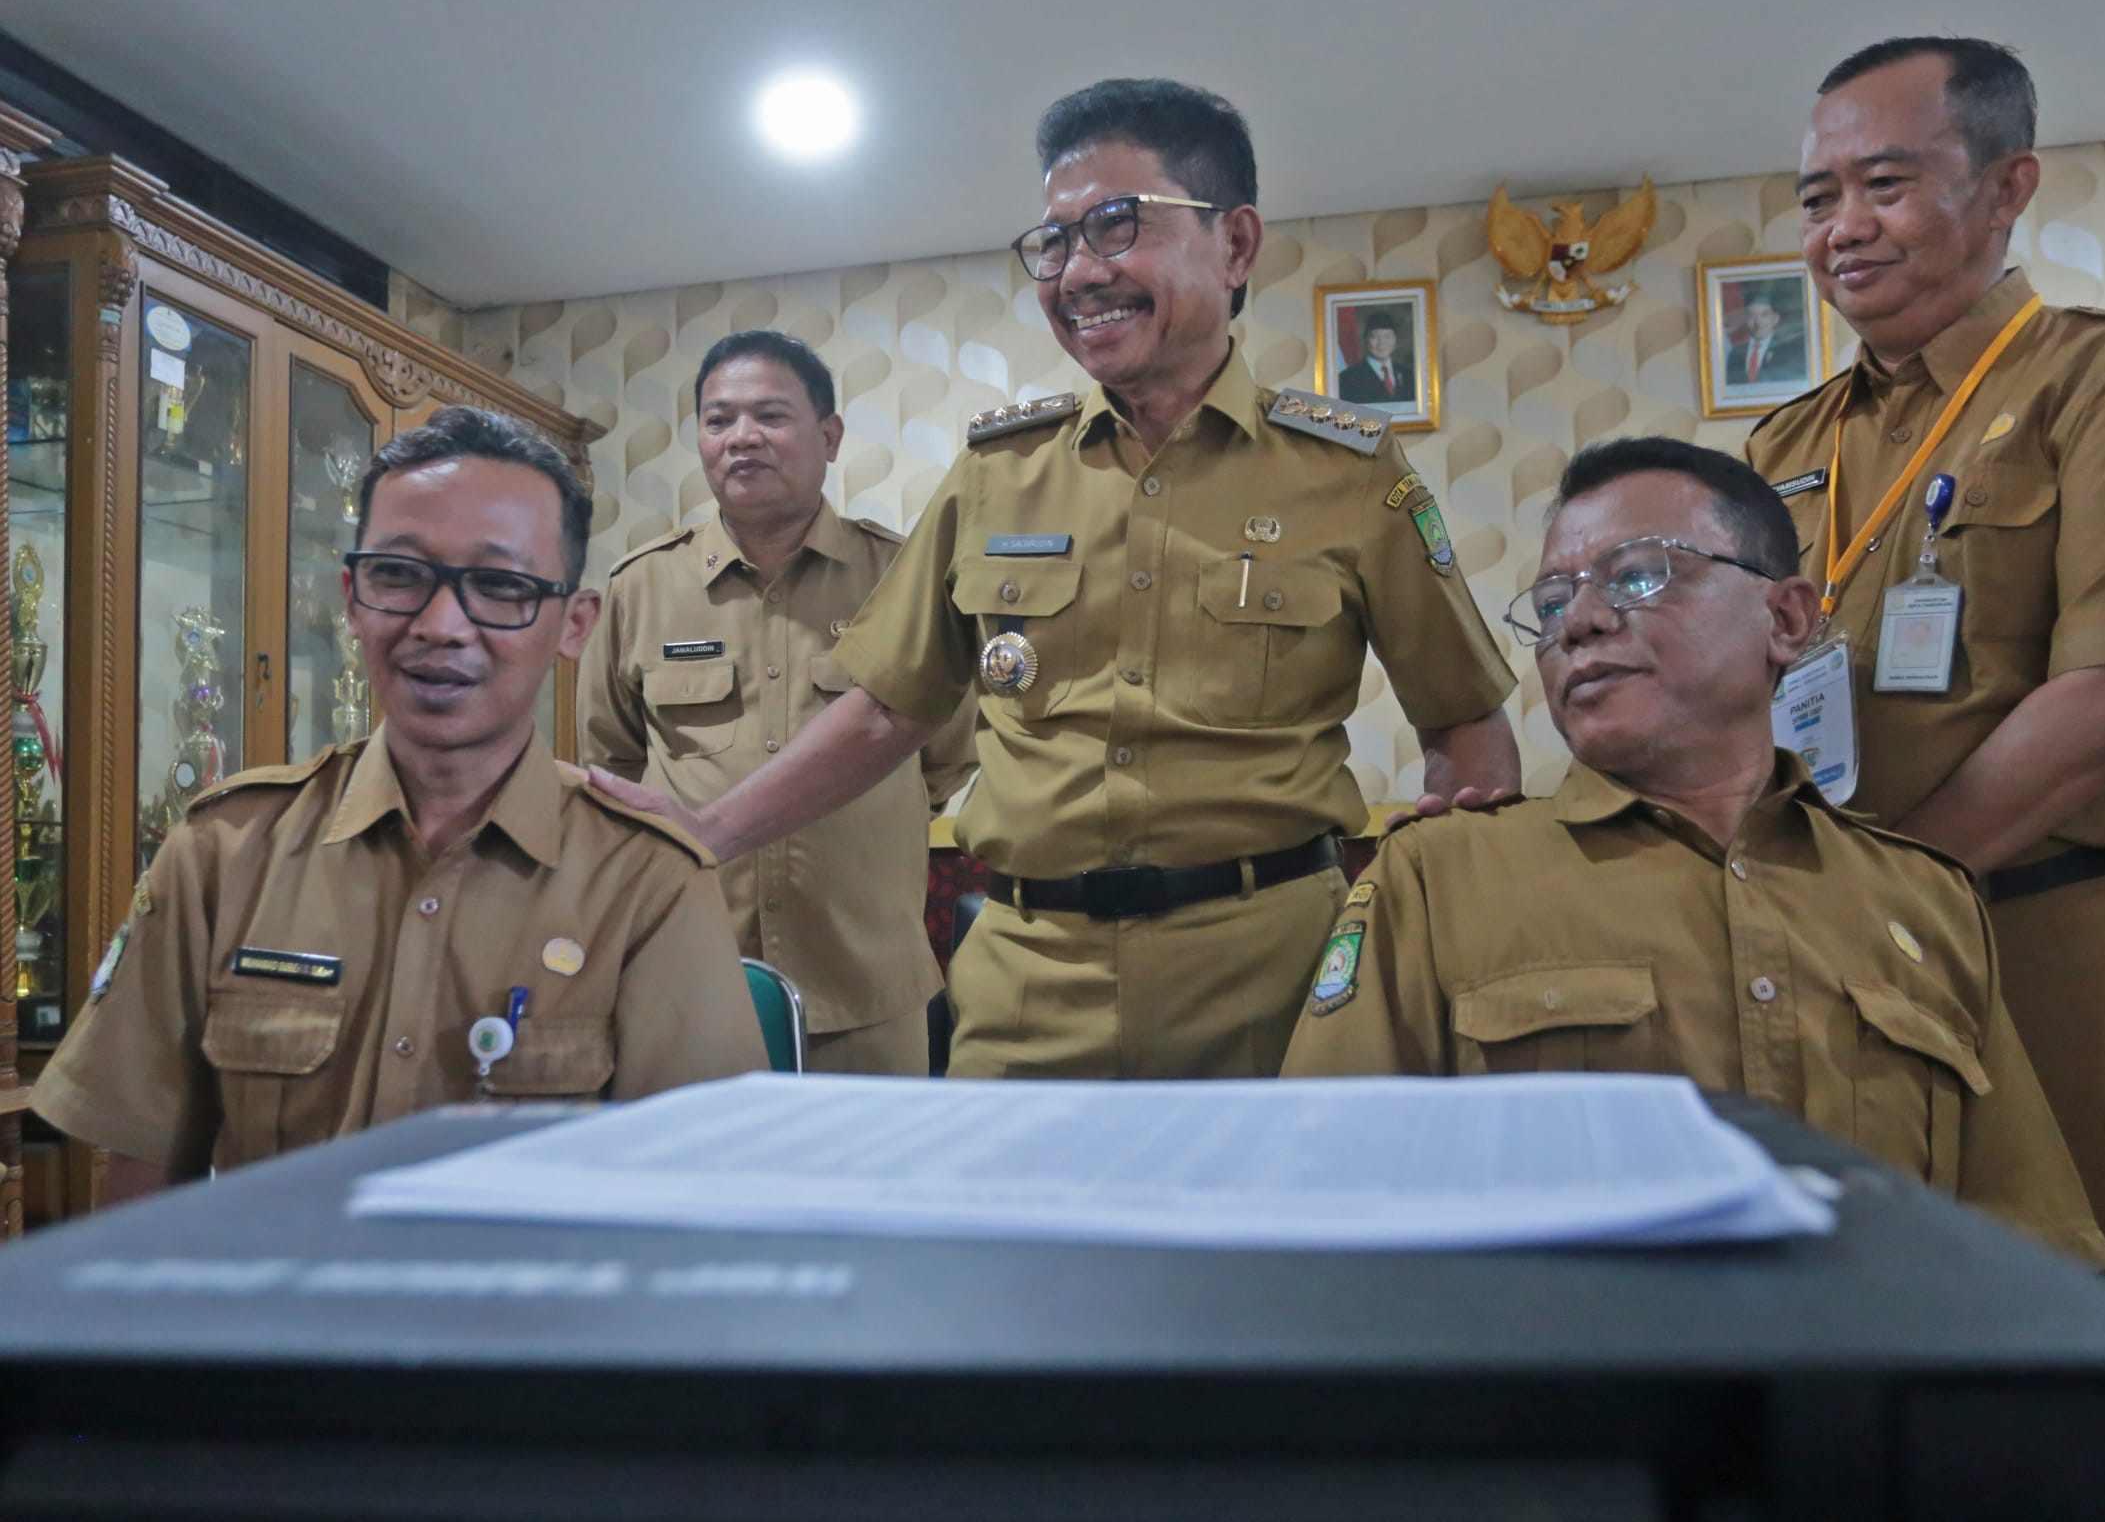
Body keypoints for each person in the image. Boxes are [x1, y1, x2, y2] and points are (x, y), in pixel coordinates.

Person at [593, 77, 1521, 1080]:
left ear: (1235, 243)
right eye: (1055, 241)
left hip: (1275, 982)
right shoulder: (998, 472)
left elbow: (1464, 722)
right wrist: (704, 831)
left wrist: (1445, 914)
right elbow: (888, 710)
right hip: (1027, 985)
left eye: (1117, 226)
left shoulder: (1350, 473)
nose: (1078, 271)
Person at [1282, 437, 2105, 1268]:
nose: (1578, 622)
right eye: (1552, 601)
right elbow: (1320, 1214)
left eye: (1637, 575)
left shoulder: (1924, 899)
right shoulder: (1439, 879)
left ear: (1785, 619)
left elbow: (2029, 1243)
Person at [1743, 37, 2105, 1303]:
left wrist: (1892, 889)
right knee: (1849, 1294)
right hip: (1817, 946)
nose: (1843, 228)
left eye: (1885, 184)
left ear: (2008, 184)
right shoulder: (1784, 443)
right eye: (1817, 198)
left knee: (2073, 1303)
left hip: (2033, 934)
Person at [33, 407, 769, 1195]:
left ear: (574, 624)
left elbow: (700, 1206)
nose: (441, 625)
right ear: (352, 598)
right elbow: (143, 1180)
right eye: (399, 575)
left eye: (501, 585)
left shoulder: (648, 882)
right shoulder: (223, 852)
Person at [580, 331, 977, 1075]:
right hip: (689, 976)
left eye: (770, 415)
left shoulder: (900, 577)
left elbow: (945, 751)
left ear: (829, 437)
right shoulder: (641, 587)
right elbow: (614, 761)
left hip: (864, 981)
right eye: (718, 419)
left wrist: (864, 810)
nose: (741, 437)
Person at [1725, 288, 1805, 386]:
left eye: (1764, 315)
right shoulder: (1735, 353)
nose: (1758, 322)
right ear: (1746, 319)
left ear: (1775, 319)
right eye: (1752, 315)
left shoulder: (1790, 351)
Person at [1337, 312, 1414, 403]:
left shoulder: (1408, 375)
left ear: (1395, 339)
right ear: (1365, 340)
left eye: (1387, 336)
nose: (1381, 343)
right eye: (1375, 337)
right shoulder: (1348, 378)